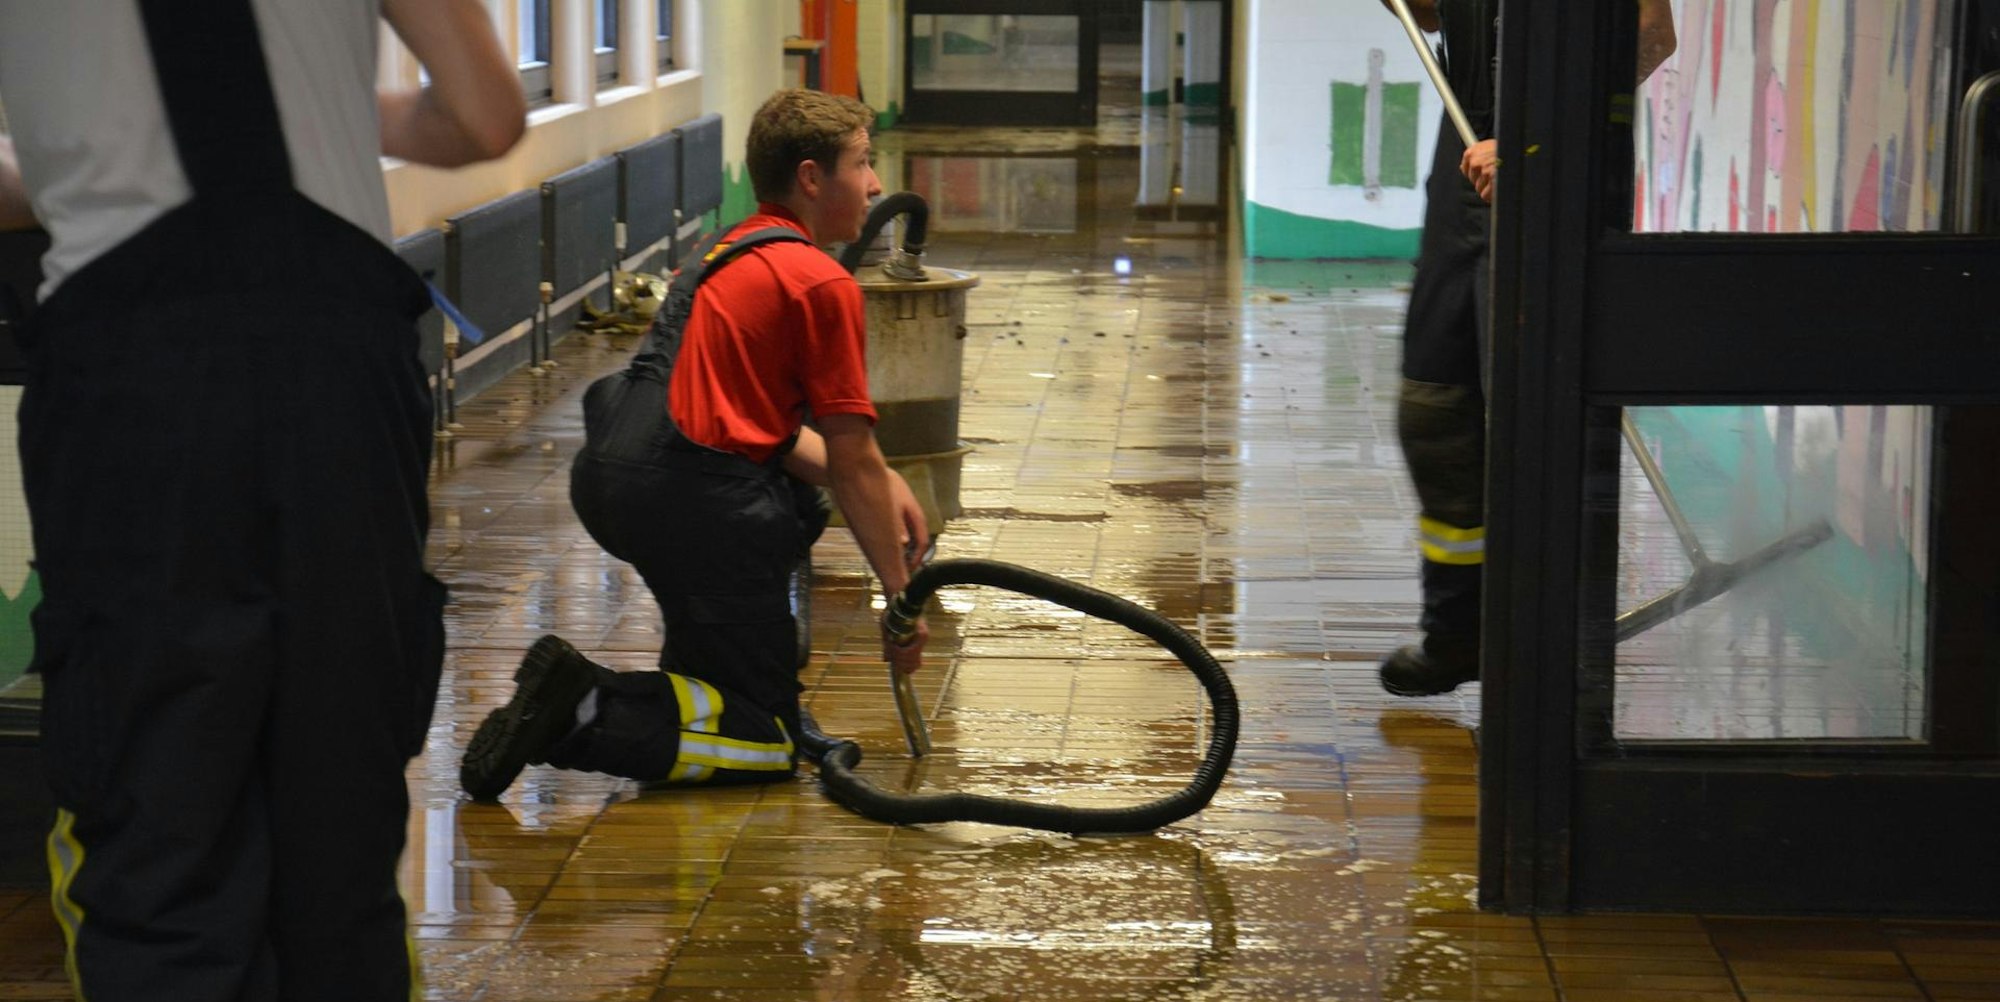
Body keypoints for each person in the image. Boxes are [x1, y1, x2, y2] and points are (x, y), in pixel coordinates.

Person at [0, 1, 523, 998]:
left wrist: (77, 157)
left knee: (157, 826)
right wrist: (329, 109)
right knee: (340, 821)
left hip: (133, 373)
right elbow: (485, 117)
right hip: (336, 364)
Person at [459, 89, 931, 799]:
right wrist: (901, 599)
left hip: (619, 476)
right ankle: (581, 705)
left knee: (746, 641)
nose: (875, 184)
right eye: (862, 163)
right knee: (765, 745)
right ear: (811, 177)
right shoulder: (818, 282)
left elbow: (748, 417)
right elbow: (850, 454)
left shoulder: (726, 248)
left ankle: (708, 688)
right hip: (697, 503)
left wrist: (878, 480)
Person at [1376, 0, 1674, 696]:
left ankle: (1554, 660)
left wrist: (1536, 139)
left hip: (1559, 171)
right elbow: (1435, 18)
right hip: (1465, 163)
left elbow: (1652, 34)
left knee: (1537, 423)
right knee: (1435, 410)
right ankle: (1459, 633)